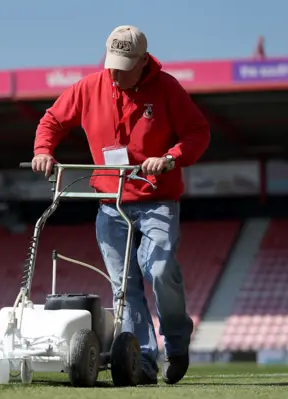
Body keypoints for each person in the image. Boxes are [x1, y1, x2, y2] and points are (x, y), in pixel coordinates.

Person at [30, 25, 210, 385]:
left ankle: (176, 344)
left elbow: (197, 133)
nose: (116, 72)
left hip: (156, 199)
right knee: (123, 288)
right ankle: (142, 359)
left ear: (144, 61)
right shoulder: (89, 87)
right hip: (110, 203)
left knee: (158, 270)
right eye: (112, 63)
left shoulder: (168, 89)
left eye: (125, 65)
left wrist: (171, 157)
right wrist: (43, 151)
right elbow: (52, 120)